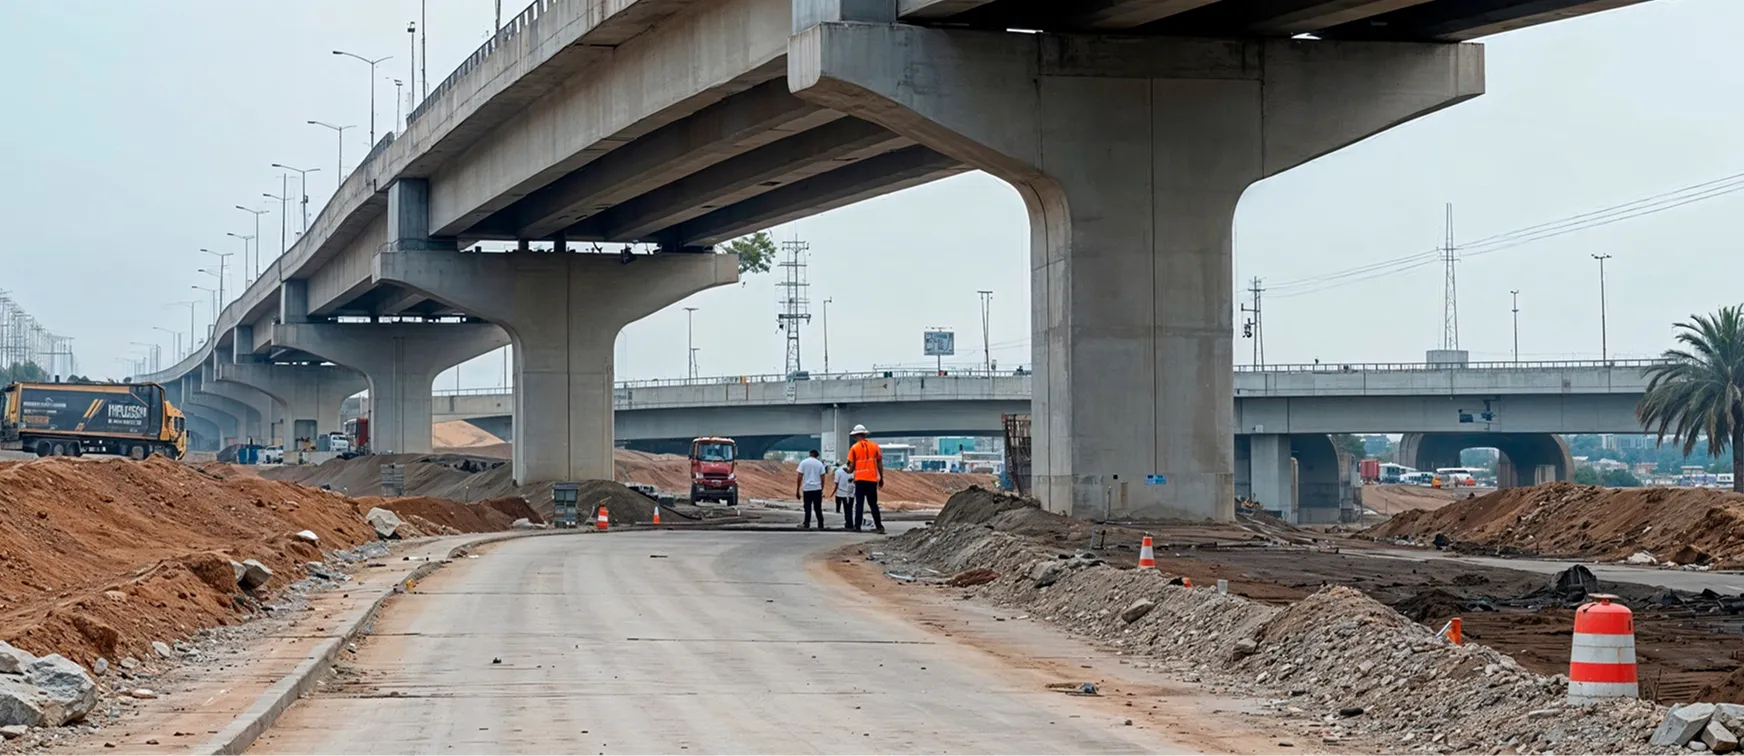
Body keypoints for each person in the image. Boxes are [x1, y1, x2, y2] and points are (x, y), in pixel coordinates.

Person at [845, 424, 885, 533]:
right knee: (873, 504)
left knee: (859, 504)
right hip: (872, 480)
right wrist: (881, 477)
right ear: (864, 434)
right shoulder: (874, 446)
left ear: (856, 436)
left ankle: (857, 527)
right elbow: (879, 463)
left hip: (860, 480)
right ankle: (879, 526)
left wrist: (848, 470)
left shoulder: (854, 448)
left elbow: (851, 467)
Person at [796, 449, 827, 530]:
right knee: (818, 508)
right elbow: (823, 478)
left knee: (807, 508)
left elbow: (799, 476)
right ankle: (821, 525)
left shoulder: (803, 462)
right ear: (817, 456)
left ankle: (807, 524)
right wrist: (821, 489)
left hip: (807, 489)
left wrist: (797, 490)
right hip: (817, 489)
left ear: (810, 454)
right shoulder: (820, 464)